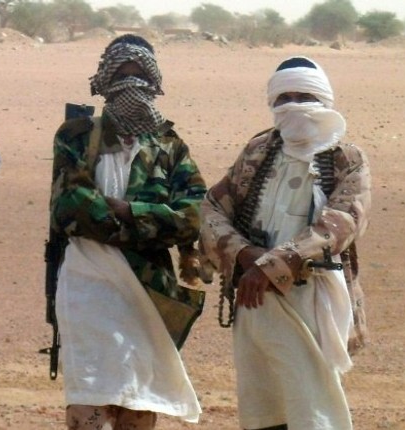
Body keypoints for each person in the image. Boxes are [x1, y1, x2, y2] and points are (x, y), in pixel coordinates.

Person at [199, 56, 371, 429]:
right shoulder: (258, 151)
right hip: (254, 297)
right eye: (284, 98)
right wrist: (244, 255)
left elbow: (341, 225)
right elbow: (213, 208)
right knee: (265, 408)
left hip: (313, 299)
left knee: (312, 407)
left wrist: (273, 265)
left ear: (324, 100)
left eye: (304, 96)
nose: (293, 106)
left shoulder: (347, 158)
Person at [49, 34, 205, 429]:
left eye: (140, 73)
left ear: (155, 81)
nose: (131, 82)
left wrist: (126, 211)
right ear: (104, 78)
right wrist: (151, 224)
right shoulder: (78, 136)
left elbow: (193, 216)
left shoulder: (171, 147)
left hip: (148, 287)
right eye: (122, 72)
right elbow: (71, 208)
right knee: (90, 400)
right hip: (89, 282)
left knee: (138, 400)